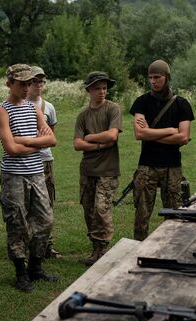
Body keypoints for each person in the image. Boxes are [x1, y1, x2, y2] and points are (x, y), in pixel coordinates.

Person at [0, 63, 57, 292]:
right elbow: (11, 149)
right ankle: (21, 272)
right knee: (17, 223)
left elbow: (52, 140)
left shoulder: (34, 108)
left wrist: (25, 141)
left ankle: (36, 267)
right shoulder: (2, 110)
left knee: (45, 220)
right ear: (9, 84)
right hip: (14, 176)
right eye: (22, 83)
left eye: (29, 83)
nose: (26, 87)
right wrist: (35, 143)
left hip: (36, 172)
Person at [129, 60, 193, 241]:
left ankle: (172, 249)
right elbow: (139, 133)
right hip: (146, 165)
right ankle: (137, 250)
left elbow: (183, 137)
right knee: (141, 215)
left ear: (167, 77)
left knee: (174, 214)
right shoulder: (141, 102)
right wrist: (169, 130)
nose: (152, 81)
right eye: (150, 77)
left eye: (157, 77)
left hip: (172, 166)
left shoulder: (181, 104)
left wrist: (152, 133)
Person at [73, 71, 122, 266]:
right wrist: (99, 144)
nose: (102, 92)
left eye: (104, 88)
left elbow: (112, 136)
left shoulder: (113, 109)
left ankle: (103, 248)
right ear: (88, 91)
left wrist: (91, 138)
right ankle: (95, 248)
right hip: (88, 170)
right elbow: (77, 144)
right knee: (89, 210)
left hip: (108, 169)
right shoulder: (83, 116)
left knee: (102, 209)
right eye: (97, 88)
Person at [26, 66, 62, 259]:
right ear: (28, 83)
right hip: (25, 161)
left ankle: (47, 245)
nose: (39, 85)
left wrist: (38, 141)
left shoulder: (48, 107)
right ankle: (26, 242)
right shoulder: (20, 104)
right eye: (35, 81)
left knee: (47, 202)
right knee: (26, 204)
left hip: (45, 161)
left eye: (42, 81)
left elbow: (52, 137)